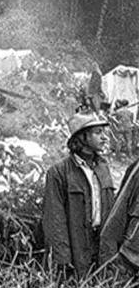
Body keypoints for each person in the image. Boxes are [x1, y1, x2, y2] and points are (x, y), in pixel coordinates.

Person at [41, 113, 115, 277]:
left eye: (104, 132)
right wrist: (62, 259)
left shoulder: (103, 167)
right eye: (98, 132)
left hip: (102, 246)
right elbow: (54, 220)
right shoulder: (58, 172)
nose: (104, 137)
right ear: (82, 137)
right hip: (76, 246)